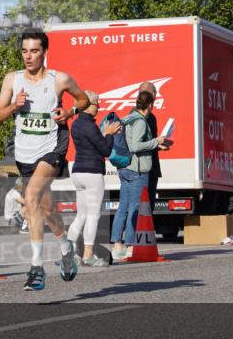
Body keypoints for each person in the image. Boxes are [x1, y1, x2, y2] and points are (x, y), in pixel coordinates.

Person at [0, 29, 89, 291]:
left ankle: (36, 268)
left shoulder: (59, 80)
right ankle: (66, 247)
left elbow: (84, 99)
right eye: (24, 51)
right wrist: (14, 106)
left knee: (32, 197)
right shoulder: (12, 79)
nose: (28, 56)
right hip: (24, 153)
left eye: (34, 51)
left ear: (45, 52)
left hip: (52, 149)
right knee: (47, 208)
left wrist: (69, 111)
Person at [109, 91, 169, 261]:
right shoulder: (141, 121)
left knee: (123, 207)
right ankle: (130, 246)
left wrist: (156, 146)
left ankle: (117, 245)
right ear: (150, 104)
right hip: (137, 170)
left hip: (125, 167)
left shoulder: (129, 117)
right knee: (135, 208)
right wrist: (157, 141)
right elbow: (135, 146)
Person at [67, 89, 122, 267]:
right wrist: (109, 134)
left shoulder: (75, 124)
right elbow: (105, 150)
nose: (98, 108)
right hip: (92, 173)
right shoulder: (90, 126)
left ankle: (68, 252)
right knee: (93, 215)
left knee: (80, 215)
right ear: (87, 105)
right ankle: (88, 254)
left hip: (77, 172)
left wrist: (104, 133)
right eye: (96, 104)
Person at [138, 81, 162, 211]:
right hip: (143, 168)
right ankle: (138, 232)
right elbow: (137, 145)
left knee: (146, 207)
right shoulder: (139, 118)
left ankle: (142, 231)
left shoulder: (149, 117)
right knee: (144, 207)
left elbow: (149, 142)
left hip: (148, 167)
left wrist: (159, 144)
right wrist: (157, 142)